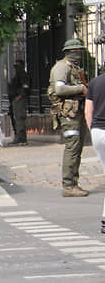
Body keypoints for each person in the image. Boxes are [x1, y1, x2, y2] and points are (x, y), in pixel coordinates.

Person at [48, 38, 89, 197]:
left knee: (77, 148)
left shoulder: (73, 67)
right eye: (76, 51)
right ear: (68, 52)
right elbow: (59, 89)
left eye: (80, 51)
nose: (78, 53)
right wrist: (81, 88)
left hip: (76, 113)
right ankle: (68, 185)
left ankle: (74, 183)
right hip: (68, 115)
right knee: (72, 147)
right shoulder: (61, 67)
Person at [8, 59, 29, 145]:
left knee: (19, 118)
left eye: (17, 66)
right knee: (15, 118)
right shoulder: (17, 75)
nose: (16, 68)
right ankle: (18, 137)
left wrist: (19, 96)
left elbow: (26, 88)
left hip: (19, 100)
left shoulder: (23, 75)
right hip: (14, 99)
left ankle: (21, 138)